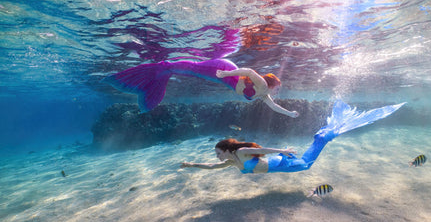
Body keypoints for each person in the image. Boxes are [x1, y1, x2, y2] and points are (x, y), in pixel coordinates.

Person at [181, 99, 405, 173]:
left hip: (280, 162)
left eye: (217, 152)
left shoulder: (240, 151)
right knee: (305, 163)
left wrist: (284, 151)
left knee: (306, 165)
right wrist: (191, 164)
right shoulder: (232, 161)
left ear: (225, 147)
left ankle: (323, 137)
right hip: (278, 165)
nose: (217, 156)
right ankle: (321, 137)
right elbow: (212, 167)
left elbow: (263, 150)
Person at [104, 58, 299, 118]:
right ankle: (161, 67)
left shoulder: (264, 95)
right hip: (224, 70)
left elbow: (274, 107)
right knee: (193, 69)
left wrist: (290, 114)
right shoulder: (263, 85)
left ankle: (162, 72)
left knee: (192, 71)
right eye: (278, 88)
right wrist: (225, 75)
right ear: (271, 84)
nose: (277, 92)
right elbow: (247, 71)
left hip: (224, 78)